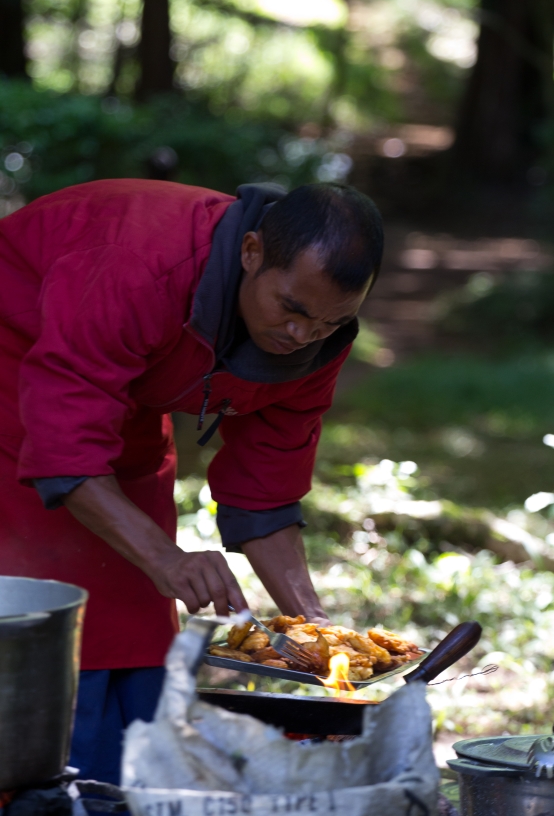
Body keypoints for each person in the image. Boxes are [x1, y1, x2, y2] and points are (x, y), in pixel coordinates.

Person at [0, 178, 383, 783]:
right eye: (293, 310)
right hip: (17, 368)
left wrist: (322, 637)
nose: (303, 336)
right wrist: (167, 558)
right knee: (60, 620)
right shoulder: (138, 263)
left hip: (125, 399)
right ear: (251, 252)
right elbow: (64, 451)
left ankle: (126, 785)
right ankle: (48, 784)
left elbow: (265, 494)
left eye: (331, 323)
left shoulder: (317, 340)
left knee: (139, 620)